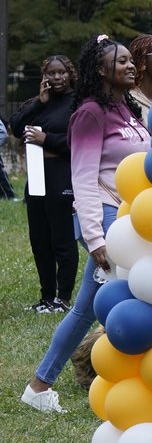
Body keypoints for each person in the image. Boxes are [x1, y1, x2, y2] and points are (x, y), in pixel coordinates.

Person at [21, 36, 151, 413]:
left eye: (131, 60)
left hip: (132, 217)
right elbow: (83, 177)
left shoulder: (125, 110)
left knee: (85, 310)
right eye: (122, 61)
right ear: (100, 70)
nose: (131, 66)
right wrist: (95, 238)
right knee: (121, 303)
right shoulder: (90, 113)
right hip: (108, 220)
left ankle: (40, 386)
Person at [12, 55, 80, 313]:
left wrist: (46, 138)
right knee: (40, 240)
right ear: (45, 76)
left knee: (61, 240)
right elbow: (16, 127)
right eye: (51, 73)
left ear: (69, 73)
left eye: (61, 72)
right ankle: (46, 298)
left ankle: (63, 300)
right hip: (37, 174)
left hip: (61, 173)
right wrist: (37, 104)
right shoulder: (39, 102)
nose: (57, 78)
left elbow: (77, 143)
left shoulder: (77, 102)